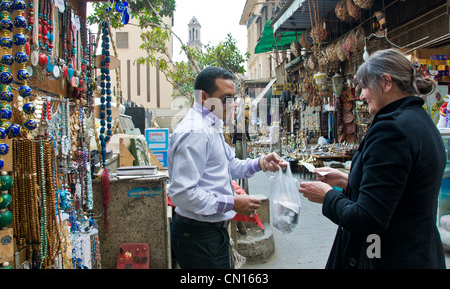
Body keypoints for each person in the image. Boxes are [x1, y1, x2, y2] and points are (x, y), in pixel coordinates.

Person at [299, 48, 447, 268]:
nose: (361, 95)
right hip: (421, 253)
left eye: (366, 86)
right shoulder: (420, 120)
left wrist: (328, 196)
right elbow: (401, 190)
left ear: (387, 83)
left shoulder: (391, 130)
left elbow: (368, 219)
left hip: (393, 256)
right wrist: (347, 181)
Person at [168, 66, 286, 269]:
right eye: (226, 98)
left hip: (210, 233)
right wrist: (231, 203)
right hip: (198, 236)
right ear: (204, 97)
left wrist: (260, 163)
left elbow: (229, 165)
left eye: (234, 98)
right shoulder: (195, 132)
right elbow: (182, 194)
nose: (232, 105)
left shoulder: (211, 125)